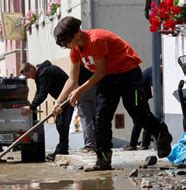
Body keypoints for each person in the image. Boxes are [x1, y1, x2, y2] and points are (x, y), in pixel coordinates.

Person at [52, 16, 172, 171]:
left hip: (128, 73)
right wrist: (58, 101)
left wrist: (79, 92)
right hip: (108, 78)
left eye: (65, 43)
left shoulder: (96, 40)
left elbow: (100, 72)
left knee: (137, 111)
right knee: (101, 117)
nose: (65, 47)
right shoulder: (75, 51)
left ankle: (161, 133)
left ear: (76, 35)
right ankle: (103, 158)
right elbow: (72, 80)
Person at [20, 61, 73, 161]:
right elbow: (39, 91)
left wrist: (32, 107)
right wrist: (32, 106)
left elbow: (43, 93)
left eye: (28, 75)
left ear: (31, 69)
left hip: (68, 98)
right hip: (61, 100)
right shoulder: (40, 74)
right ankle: (62, 148)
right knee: (59, 123)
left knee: (62, 124)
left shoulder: (44, 73)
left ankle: (62, 149)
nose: (28, 78)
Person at [124, 66, 155, 151]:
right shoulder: (154, 71)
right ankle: (136, 144)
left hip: (140, 97)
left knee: (145, 119)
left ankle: (140, 144)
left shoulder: (152, 70)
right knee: (140, 120)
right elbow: (154, 89)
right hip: (139, 98)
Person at [77, 66, 97, 153]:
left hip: (82, 90)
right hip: (96, 88)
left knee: (86, 119)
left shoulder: (78, 64)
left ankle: (90, 145)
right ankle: (101, 143)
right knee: (99, 118)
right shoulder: (92, 61)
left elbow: (74, 80)